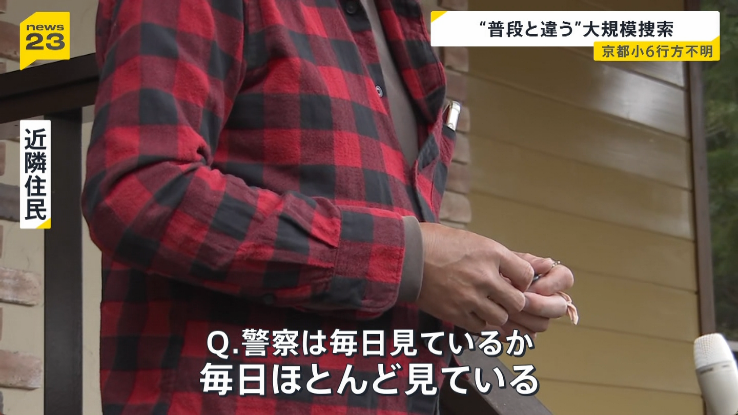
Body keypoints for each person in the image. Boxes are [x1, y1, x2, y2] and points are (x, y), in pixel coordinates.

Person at [82, 0, 575, 414]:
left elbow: (382, 241)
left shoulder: (398, 23)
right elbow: (140, 191)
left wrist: (485, 284)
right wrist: (410, 260)